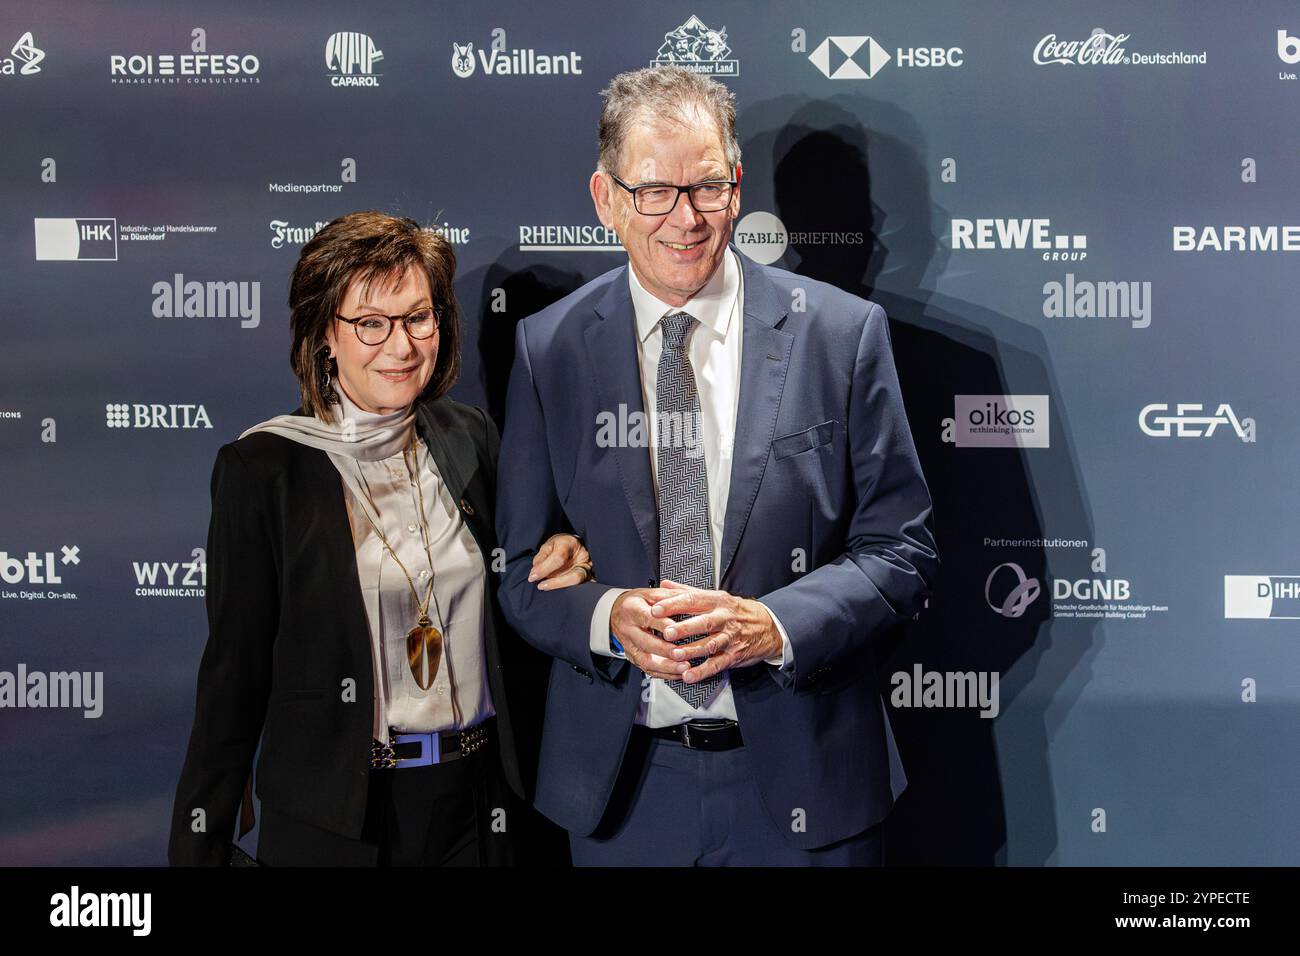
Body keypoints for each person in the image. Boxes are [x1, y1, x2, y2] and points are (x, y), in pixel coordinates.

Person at [495, 67, 939, 865]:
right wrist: (606, 618)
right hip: (625, 797)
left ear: (737, 188)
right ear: (607, 199)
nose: (685, 219)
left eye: (706, 187)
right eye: (654, 191)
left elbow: (902, 552)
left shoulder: (840, 336)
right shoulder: (548, 348)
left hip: (808, 784)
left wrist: (773, 627)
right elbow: (520, 571)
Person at [169, 211, 588, 866]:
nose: (401, 346)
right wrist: (201, 837)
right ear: (324, 334)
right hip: (343, 820)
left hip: (479, 807)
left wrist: (559, 556)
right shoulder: (265, 470)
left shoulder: (469, 435)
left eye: (419, 317)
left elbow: (518, 580)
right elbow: (235, 670)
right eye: (371, 324)